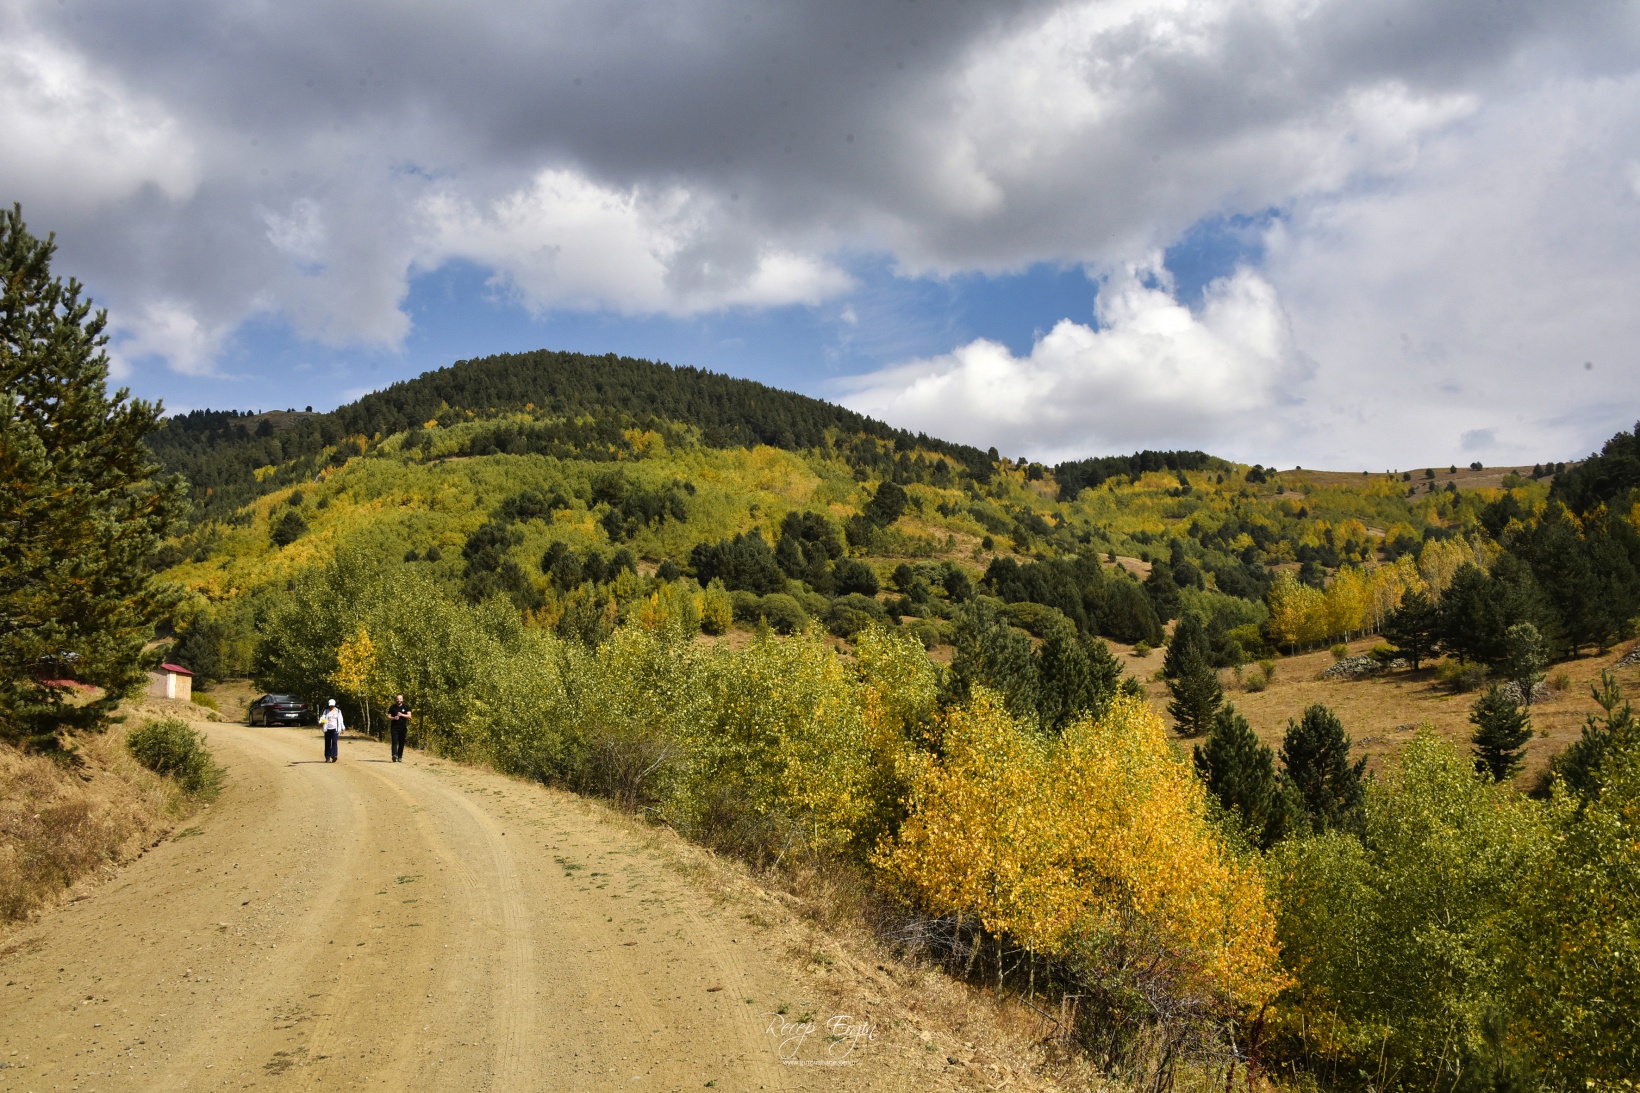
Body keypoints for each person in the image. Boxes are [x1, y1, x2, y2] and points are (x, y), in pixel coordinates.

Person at [387, 694, 412, 762]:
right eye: (397, 699)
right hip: (394, 727)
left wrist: (402, 715)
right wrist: (394, 718)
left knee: (401, 743)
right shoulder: (392, 707)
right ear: (396, 700)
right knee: (394, 741)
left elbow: (409, 716)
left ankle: (400, 756)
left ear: (402, 700)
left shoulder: (406, 707)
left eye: (400, 699)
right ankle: (394, 755)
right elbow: (388, 717)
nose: (399, 700)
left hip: (403, 727)